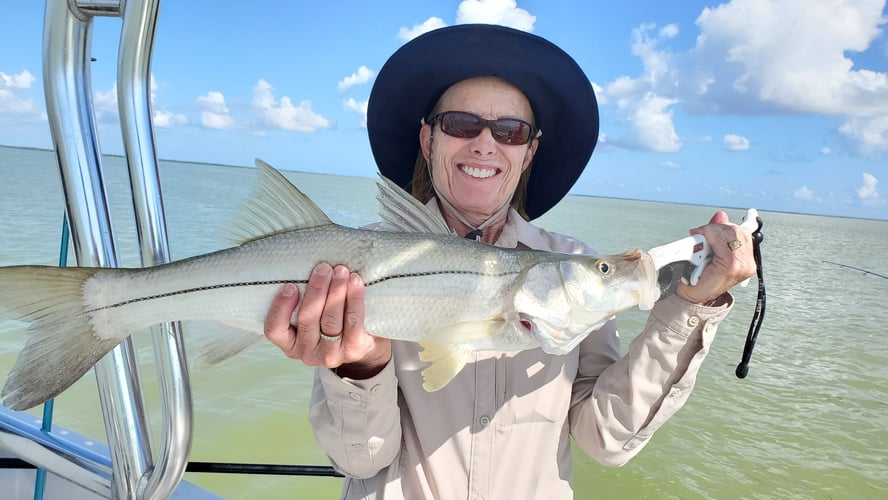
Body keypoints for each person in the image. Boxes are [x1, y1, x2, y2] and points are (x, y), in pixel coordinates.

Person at [263, 24, 756, 499]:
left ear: (529, 152)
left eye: (510, 131)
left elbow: (606, 439)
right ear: (428, 140)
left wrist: (693, 303)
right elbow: (359, 462)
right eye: (460, 124)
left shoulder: (573, 263)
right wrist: (361, 366)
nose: (484, 143)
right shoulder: (349, 265)